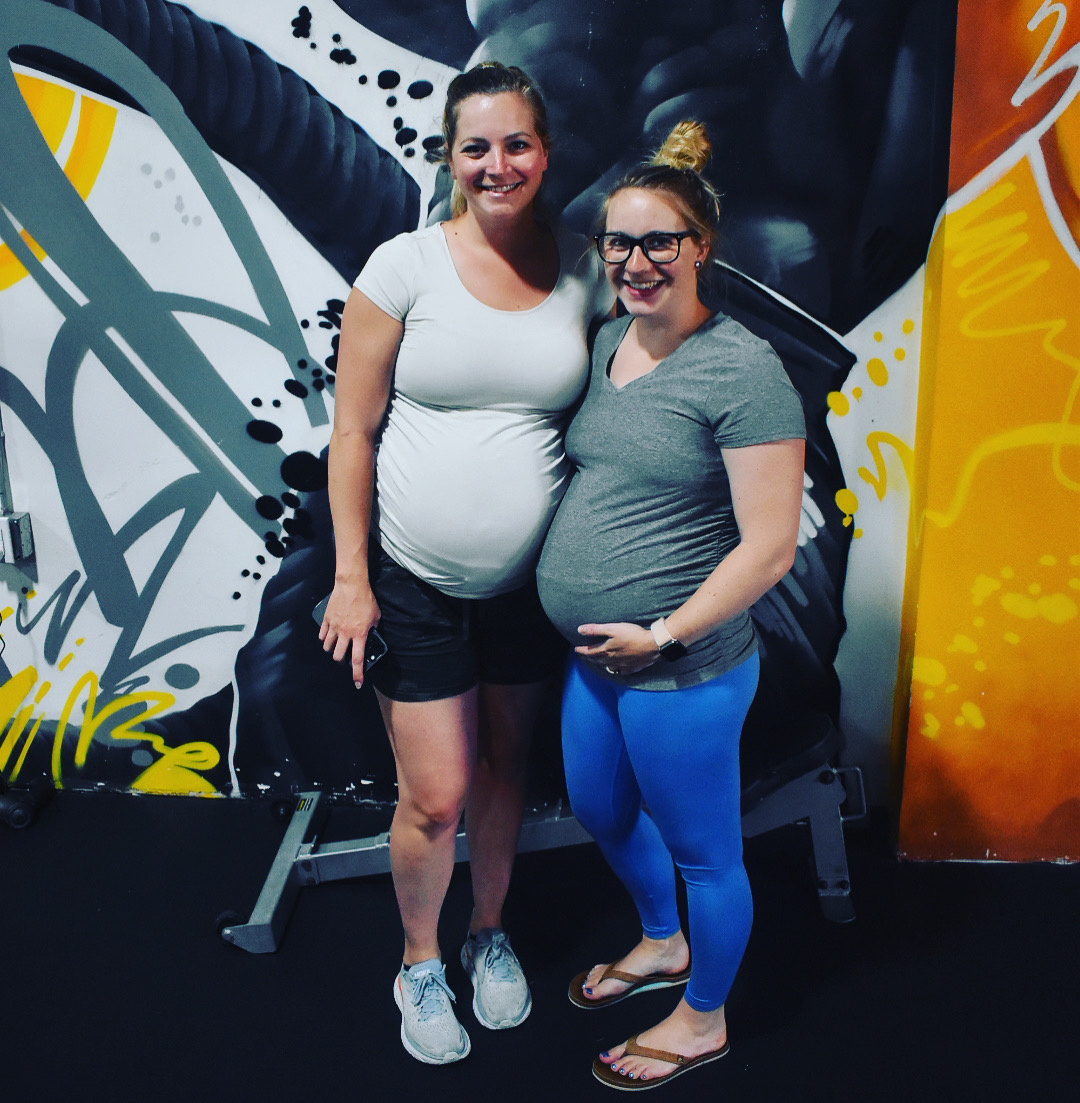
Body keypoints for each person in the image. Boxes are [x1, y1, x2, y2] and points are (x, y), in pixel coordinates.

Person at [318, 61, 610, 1065]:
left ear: (546, 153)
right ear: (448, 156)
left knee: (503, 769)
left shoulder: (586, 268)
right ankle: (419, 959)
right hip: (412, 578)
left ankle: (488, 931)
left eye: (516, 143)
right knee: (435, 794)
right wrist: (351, 578)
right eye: (476, 146)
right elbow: (351, 433)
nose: (498, 164)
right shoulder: (403, 267)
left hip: (531, 583)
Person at [536, 121, 806, 1089]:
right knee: (602, 809)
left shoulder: (743, 369)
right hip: (598, 661)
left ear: (701, 248)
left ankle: (703, 1018)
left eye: (659, 242)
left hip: (683, 666)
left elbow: (770, 545)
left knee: (706, 855)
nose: (635, 261)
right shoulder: (612, 337)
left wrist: (664, 633)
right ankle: (663, 941)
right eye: (619, 241)